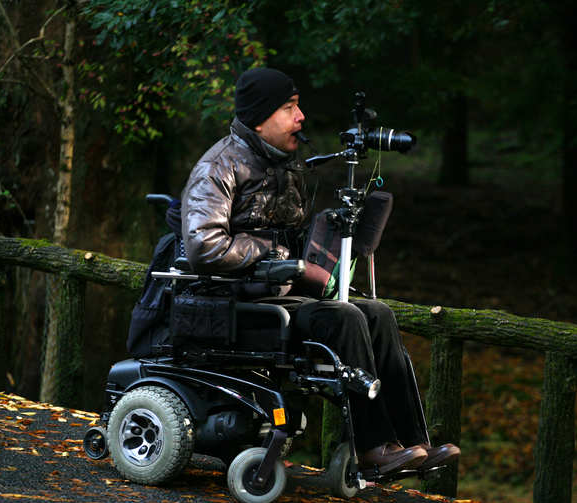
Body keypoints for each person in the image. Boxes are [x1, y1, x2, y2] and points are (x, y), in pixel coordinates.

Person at [180, 67, 460, 476]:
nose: (301, 117)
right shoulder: (219, 167)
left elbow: (291, 236)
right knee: (344, 316)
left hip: (284, 295)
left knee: (377, 313)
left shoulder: (285, 164)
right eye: (290, 108)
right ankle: (373, 449)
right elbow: (202, 245)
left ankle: (413, 444)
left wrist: (326, 239)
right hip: (238, 303)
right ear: (260, 118)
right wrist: (276, 253)